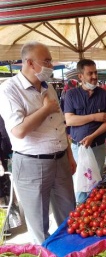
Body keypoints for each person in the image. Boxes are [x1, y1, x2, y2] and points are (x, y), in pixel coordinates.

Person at [0, 41, 76, 245]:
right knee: (39, 225)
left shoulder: (49, 87)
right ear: (30, 63)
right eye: (47, 61)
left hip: (60, 160)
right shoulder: (9, 89)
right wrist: (45, 110)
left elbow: (59, 124)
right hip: (31, 163)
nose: (51, 65)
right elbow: (19, 130)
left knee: (69, 215)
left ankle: (71, 255)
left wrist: (69, 155)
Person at [64, 59, 106, 203]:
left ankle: (92, 208)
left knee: (95, 181)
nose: (94, 76)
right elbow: (69, 120)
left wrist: (92, 136)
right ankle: (80, 210)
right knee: (80, 182)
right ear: (80, 76)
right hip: (78, 147)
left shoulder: (105, 95)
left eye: (95, 72)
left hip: (97, 146)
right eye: (90, 73)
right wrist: (95, 117)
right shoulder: (71, 95)